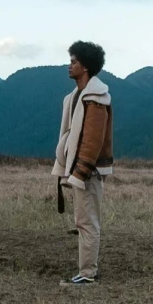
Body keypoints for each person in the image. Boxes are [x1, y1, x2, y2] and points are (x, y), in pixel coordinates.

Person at [53, 40, 114, 285]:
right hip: (80, 170)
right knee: (83, 220)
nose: (69, 66)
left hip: (88, 172)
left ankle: (88, 273)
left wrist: (80, 171)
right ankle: (86, 269)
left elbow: (93, 139)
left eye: (74, 62)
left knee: (87, 221)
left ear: (85, 66)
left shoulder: (96, 98)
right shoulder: (77, 97)